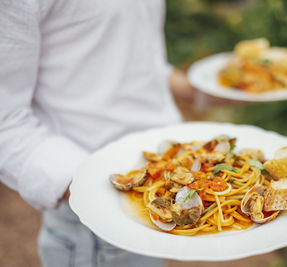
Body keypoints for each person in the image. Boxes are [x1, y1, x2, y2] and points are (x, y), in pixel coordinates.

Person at [0, 1, 194, 266]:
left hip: (162, 192)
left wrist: (205, 89)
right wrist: (102, 193)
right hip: (95, 230)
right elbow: (5, 120)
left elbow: (137, 56)